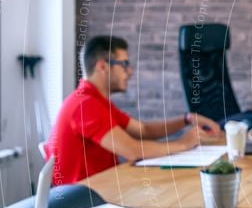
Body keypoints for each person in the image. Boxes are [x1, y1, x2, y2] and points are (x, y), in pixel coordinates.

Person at [45, 36, 220, 185]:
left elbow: (143, 131)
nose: (129, 71)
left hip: (99, 192)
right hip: (79, 204)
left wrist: (187, 119)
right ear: (102, 66)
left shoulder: (97, 102)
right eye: (124, 64)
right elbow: (132, 151)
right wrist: (183, 144)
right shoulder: (84, 105)